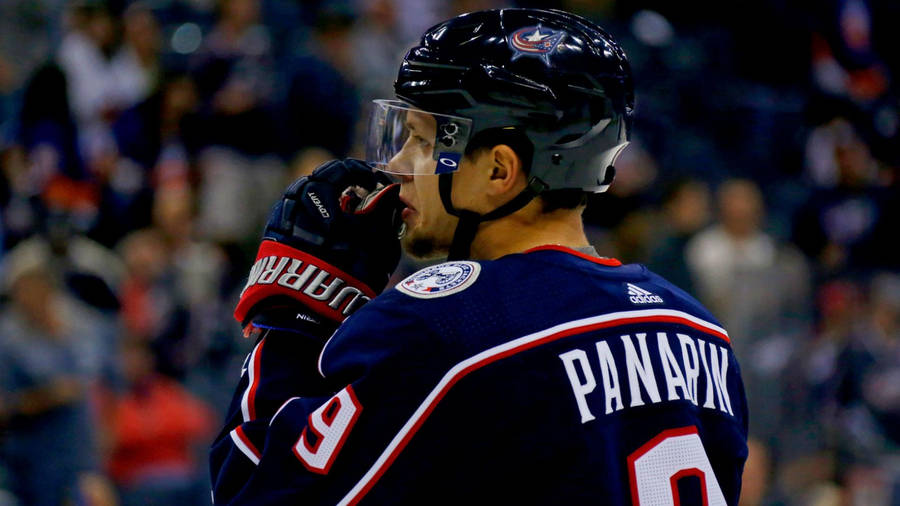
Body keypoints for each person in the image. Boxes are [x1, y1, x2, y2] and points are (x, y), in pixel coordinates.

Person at [210, 8, 748, 505]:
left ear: (498, 171)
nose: (397, 164)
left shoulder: (443, 326)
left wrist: (296, 313)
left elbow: (251, 490)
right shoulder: (699, 332)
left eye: (422, 141)